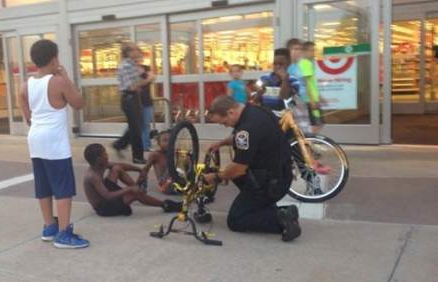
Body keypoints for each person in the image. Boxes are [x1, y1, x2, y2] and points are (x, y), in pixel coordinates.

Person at [18, 39, 89, 249]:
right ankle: (64, 233)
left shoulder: (26, 85)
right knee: (63, 187)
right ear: (55, 58)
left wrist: (34, 122)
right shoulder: (58, 82)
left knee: (44, 185)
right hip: (54, 141)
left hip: (35, 138)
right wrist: (67, 78)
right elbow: (79, 103)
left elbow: (25, 109)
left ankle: (49, 226)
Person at [205, 96, 301, 242]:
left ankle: (281, 218)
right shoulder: (256, 110)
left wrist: (217, 177)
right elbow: (249, 137)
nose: (225, 126)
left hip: (272, 184)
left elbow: (238, 169)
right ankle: (268, 207)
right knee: (233, 174)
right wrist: (222, 143)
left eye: (224, 122)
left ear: (230, 112)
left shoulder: (247, 129)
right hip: (280, 173)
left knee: (236, 220)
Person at [83, 143, 182, 217]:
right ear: (98, 159)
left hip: (106, 194)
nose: (107, 155)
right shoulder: (92, 176)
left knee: (116, 168)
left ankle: (137, 188)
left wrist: (139, 170)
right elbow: (108, 196)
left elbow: (120, 166)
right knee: (135, 194)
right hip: (104, 207)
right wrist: (129, 189)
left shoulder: (101, 164)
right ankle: (166, 205)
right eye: (105, 154)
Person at [113, 43, 155, 164]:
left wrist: (144, 76)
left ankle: (119, 144)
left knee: (138, 126)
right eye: (135, 50)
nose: (138, 52)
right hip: (129, 98)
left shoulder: (133, 65)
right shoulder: (126, 66)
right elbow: (131, 86)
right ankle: (137, 156)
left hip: (134, 97)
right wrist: (147, 80)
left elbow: (140, 79)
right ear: (129, 52)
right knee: (136, 128)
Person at [138, 130, 176, 195]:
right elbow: (145, 170)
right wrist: (140, 185)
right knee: (174, 164)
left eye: (170, 140)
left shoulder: (174, 153)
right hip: (165, 184)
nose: (168, 143)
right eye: (165, 140)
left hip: (176, 183)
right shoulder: (155, 154)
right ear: (159, 143)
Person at [300, 41, 325, 133]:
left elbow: (312, 83)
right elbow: (306, 83)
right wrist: (312, 101)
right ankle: (311, 143)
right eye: (311, 50)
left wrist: (319, 96)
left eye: (314, 50)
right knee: (316, 123)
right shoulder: (305, 64)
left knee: (318, 122)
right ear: (305, 52)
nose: (313, 53)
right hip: (309, 100)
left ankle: (312, 142)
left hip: (313, 99)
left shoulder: (309, 64)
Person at [137, 53, 154, 152]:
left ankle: (146, 146)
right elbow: (137, 83)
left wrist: (145, 78)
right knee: (138, 125)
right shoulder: (131, 70)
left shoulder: (146, 68)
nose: (138, 59)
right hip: (136, 102)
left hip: (147, 101)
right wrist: (146, 79)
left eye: (139, 57)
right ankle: (141, 145)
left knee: (146, 124)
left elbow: (152, 77)